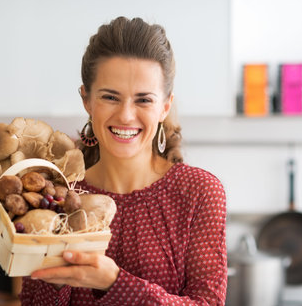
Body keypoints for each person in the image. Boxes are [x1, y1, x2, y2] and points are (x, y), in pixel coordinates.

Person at [19, 16, 227, 305]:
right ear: (87, 100)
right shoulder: (57, 196)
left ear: (165, 107)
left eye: (143, 100)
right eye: (111, 97)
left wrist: (114, 284)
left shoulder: (199, 192)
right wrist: (53, 278)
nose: (127, 115)